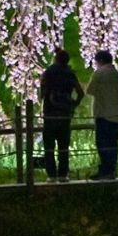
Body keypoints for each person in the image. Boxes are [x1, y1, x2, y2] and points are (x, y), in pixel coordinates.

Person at [38, 48, 84, 181]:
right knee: (63, 146)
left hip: (50, 113)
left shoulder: (48, 72)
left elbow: (42, 93)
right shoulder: (70, 73)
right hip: (65, 113)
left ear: (56, 58)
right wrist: (73, 105)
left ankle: (51, 175)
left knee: (49, 146)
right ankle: (63, 174)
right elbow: (80, 93)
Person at [85, 49, 118, 180]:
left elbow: (89, 90)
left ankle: (105, 171)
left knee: (102, 143)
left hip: (103, 114)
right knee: (113, 144)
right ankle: (111, 170)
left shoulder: (100, 73)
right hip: (117, 114)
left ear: (100, 61)